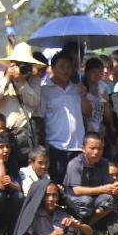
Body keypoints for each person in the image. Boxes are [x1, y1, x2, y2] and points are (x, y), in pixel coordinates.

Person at [37, 52, 90, 184]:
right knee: (57, 183)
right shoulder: (45, 90)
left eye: (68, 67)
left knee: (76, 184)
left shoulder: (78, 88)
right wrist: (44, 142)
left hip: (77, 145)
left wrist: (83, 96)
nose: (65, 70)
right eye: (61, 66)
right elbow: (40, 117)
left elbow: (88, 112)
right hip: (55, 145)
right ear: (53, 68)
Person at [0, 43, 42, 161]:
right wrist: (7, 77)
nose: (21, 66)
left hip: (25, 136)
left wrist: (22, 82)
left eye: (25, 63)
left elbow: (34, 101)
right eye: (18, 63)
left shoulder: (33, 79)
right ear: (11, 62)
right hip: (3, 135)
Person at [63, 132, 118, 230]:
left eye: (99, 149)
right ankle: (78, 228)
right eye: (92, 148)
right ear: (83, 149)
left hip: (95, 198)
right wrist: (102, 189)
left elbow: (108, 186)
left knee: (109, 199)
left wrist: (115, 188)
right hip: (76, 199)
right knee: (86, 201)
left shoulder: (104, 162)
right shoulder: (75, 164)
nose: (96, 152)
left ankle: (90, 224)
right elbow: (77, 191)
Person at [83, 57, 111, 136]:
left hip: (100, 128)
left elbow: (108, 117)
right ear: (86, 72)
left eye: (100, 71)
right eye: (93, 72)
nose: (97, 74)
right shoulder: (82, 88)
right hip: (84, 128)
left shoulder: (104, 87)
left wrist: (106, 103)